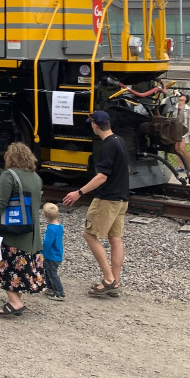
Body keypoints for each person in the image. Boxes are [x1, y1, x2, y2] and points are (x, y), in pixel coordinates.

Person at [62, 110, 130, 297]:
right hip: (122, 198)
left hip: (107, 198)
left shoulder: (107, 145)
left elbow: (102, 176)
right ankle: (114, 282)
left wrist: (79, 192)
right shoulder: (120, 141)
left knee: (89, 235)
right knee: (115, 239)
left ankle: (108, 279)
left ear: (95, 125)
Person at [0, 142, 46, 316]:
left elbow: (0, 202)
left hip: (11, 231)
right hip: (30, 233)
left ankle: (15, 303)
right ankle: (15, 299)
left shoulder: (8, 176)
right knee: (19, 269)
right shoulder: (36, 177)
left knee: (3, 264)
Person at [41, 202, 65, 301]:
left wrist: (41, 251)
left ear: (46, 216)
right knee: (48, 272)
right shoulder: (59, 226)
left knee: (52, 273)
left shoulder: (51, 229)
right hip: (57, 254)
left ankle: (59, 292)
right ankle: (50, 288)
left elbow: (47, 242)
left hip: (51, 255)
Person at [168, 92, 190, 176]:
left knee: (182, 148)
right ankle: (181, 166)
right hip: (175, 129)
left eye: (182, 95)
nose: (180, 96)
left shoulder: (188, 109)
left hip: (184, 129)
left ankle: (189, 167)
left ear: (185, 98)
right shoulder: (174, 107)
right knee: (177, 148)